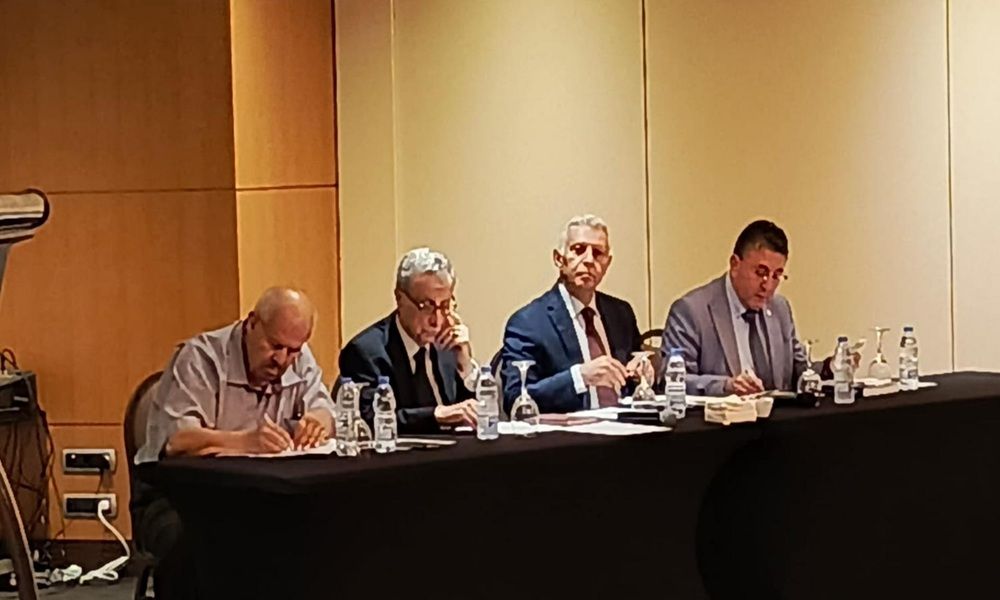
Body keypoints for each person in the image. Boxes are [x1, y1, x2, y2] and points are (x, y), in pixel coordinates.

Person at [133, 286, 335, 599]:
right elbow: (177, 441)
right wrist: (245, 441)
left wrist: (318, 421)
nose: (282, 360)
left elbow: (326, 410)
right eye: (274, 346)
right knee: (213, 546)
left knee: (322, 533)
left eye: (293, 350)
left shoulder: (298, 357)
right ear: (252, 323)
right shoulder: (200, 358)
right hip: (180, 499)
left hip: (256, 495)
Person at [501, 215, 651, 414]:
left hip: (626, 427)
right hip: (569, 431)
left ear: (608, 263)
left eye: (597, 253)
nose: (589, 260)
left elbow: (632, 375)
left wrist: (642, 373)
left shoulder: (621, 313)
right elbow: (515, 398)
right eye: (579, 250)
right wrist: (579, 377)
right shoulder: (528, 322)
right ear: (559, 259)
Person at [663, 220, 831, 396]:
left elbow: (800, 371)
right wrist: (726, 386)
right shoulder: (692, 311)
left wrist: (831, 368)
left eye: (776, 276)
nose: (768, 286)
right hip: (722, 413)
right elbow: (674, 381)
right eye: (761, 273)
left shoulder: (780, 309)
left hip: (776, 413)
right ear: (735, 264)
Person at [338, 247, 479, 434]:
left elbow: (477, 415)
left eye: (445, 305)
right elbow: (371, 419)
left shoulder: (449, 344)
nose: (437, 320)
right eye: (426, 306)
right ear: (400, 298)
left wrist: (466, 367)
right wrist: (436, 415)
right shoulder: (366, 352)